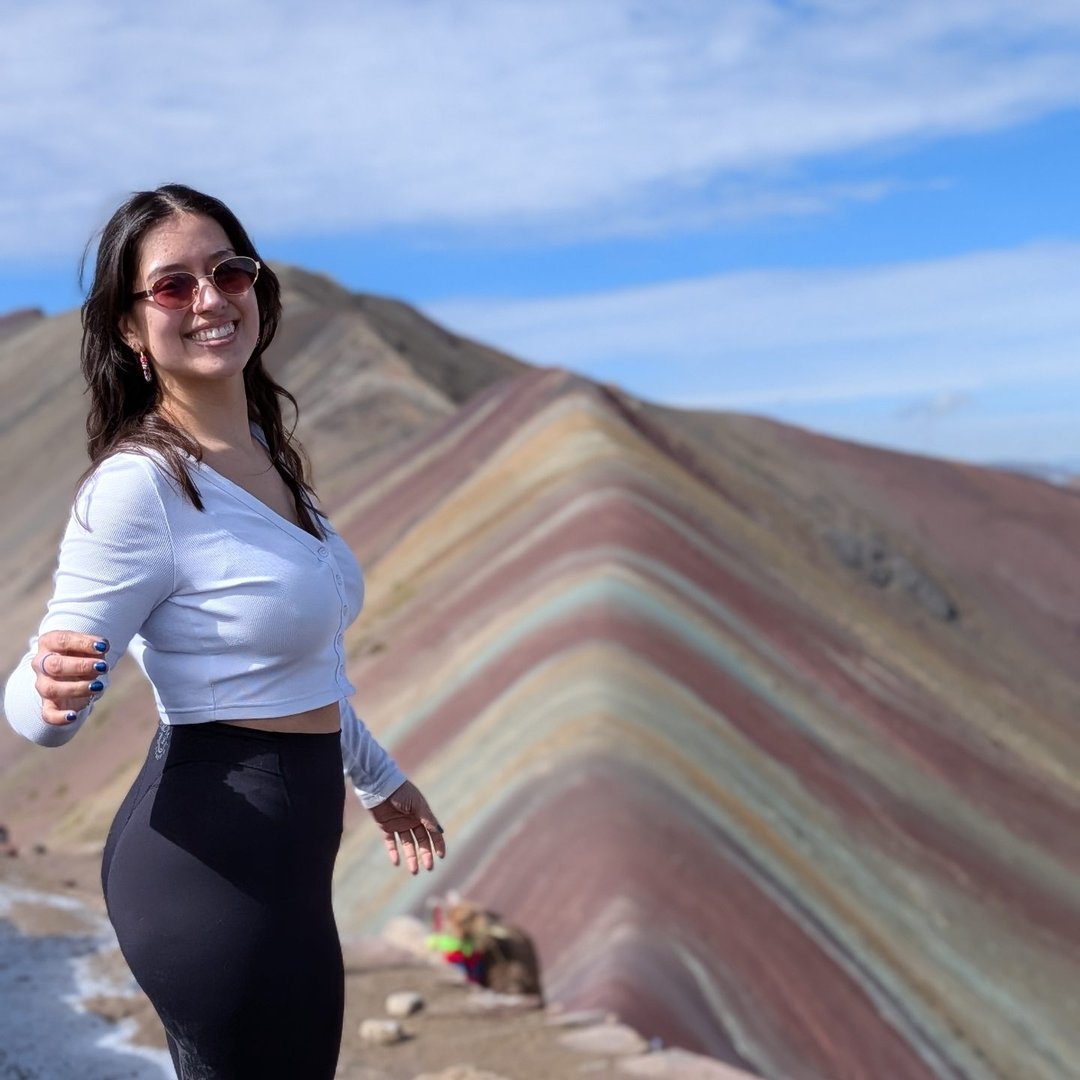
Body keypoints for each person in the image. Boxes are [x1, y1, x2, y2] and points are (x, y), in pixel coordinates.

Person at [3, 183, 446, 1079]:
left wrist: (374, 774)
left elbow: (299, 669)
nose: (209, 298)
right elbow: (38, 708)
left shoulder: (270, 462)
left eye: (229, 271)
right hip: (207, 862)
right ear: (130, 327)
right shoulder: (137, 488)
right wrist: (46, 691)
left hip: (289, 859)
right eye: (173, 285)